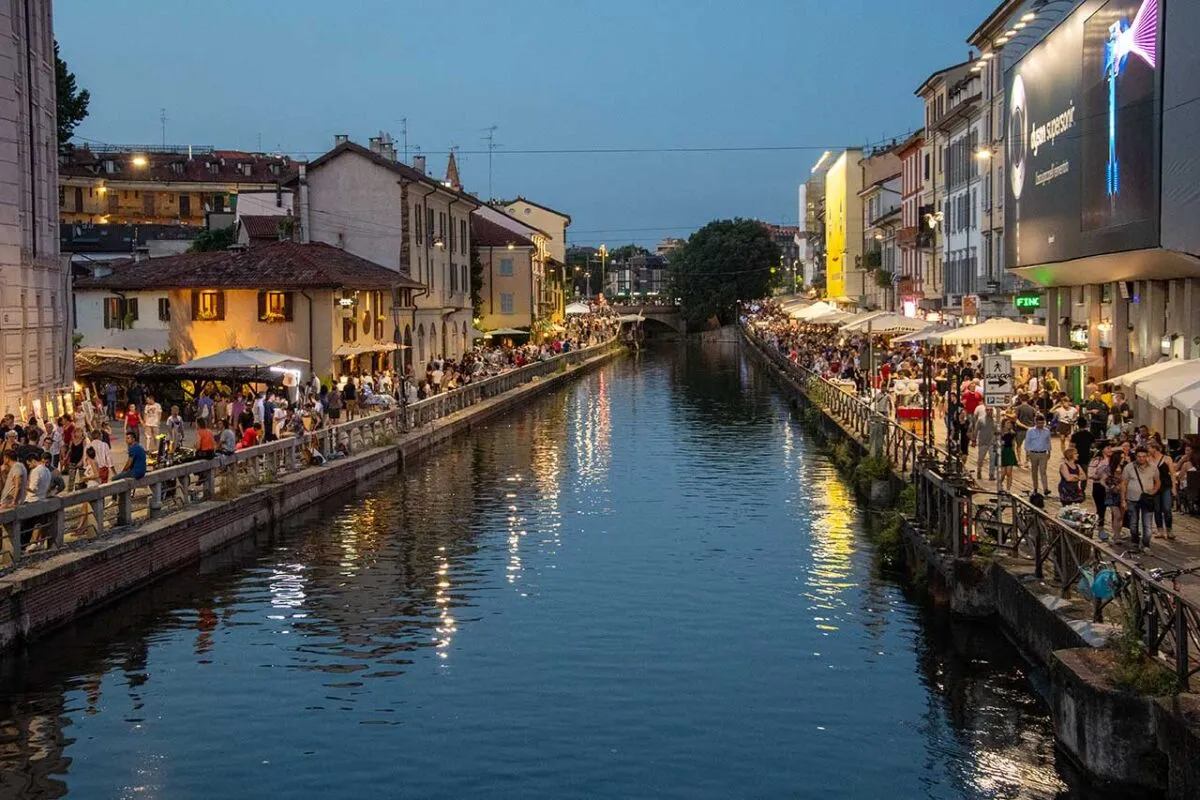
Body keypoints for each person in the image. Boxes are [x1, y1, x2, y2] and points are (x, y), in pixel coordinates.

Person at [1121, 446, 1160, 553]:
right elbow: (1124, 483)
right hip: (1132, 499)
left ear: (1147, 456)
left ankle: (1146, 544)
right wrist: (1123, 500)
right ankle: (1134, 542)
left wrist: (1154, 490)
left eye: (1143, 456)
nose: (1141, 459)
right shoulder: (1129, 467)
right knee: (1133, 524)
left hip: (1147, 499)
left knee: (1147, 525)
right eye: (1139, 456)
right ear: (1135, 456)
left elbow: (1158, 481)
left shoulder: (1153, 467)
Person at [1147, 440, 1174, 540]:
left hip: (1166, 485)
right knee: (1157, 509)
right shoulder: (1149, 459)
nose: (1148, 450)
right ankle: (1160, 530)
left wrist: (1174, 488)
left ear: (1155, 449)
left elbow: (1172, 473)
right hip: (1154, 486)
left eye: (1149, 448)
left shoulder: (1167, 459)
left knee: (1167, 508)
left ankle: (1169, 529)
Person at [1088, 444, 1113, 538]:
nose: (1110, 449)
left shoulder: (1114, 459)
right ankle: (1101, 528)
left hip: (1111, 486)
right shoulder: (1097, 460)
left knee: (1112, 508)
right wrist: (1100, 476)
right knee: (1101, 508)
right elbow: (1090, 474)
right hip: (1098, 485)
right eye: (1108, 447)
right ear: (1103, 450)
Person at [1025, 415, 1053, 496]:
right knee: (1034, 471)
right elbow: (1027, 442)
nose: (1040, 425)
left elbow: (1048, 442)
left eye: (1042, 423)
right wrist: (1027, 453)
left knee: (1043, 471)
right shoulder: (1030, 431)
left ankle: (1045, 488)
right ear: (1035, 422)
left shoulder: (1046, 431)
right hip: (1033, 453)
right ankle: (1035, 487)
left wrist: (1049, 452)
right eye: (1039, 423)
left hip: (1043, 453)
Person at [972, 405, 997, 481]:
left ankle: (991, 474)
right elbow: (976, 430)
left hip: (992, 443)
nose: (989, 411)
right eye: (988, 410)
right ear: (985, 411)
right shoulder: (980, 420)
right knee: (981, 458)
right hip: (983, 442)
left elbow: (997, 431)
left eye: (991, 410)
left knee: (992, 459)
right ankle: (979, 470)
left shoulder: (995, 420)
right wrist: (974, 439)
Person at [1013, 396, 1037, 467]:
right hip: (1030, 429)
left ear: (1020, 400)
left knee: (1019, 445)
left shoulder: (1018, 408)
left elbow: (1016, 419)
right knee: (1029, 446)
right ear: (1028, 400)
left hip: (1020, 430)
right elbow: (1035, 419)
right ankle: (1027, 460)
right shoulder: (1032, 409)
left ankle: (1019, 460)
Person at [999, 419, 1017, 493]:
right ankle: (1000, 485)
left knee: (1009, 472)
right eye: (1007, 423)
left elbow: (1013, 444)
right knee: (1003, 473)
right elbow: (995, 442)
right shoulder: (1000, 433)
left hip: (1009, 452)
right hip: (1003, 452)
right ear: (1004, 424)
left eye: (1010, 423)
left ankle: (1008, 489)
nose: (1009, 424)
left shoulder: (1013, 433)